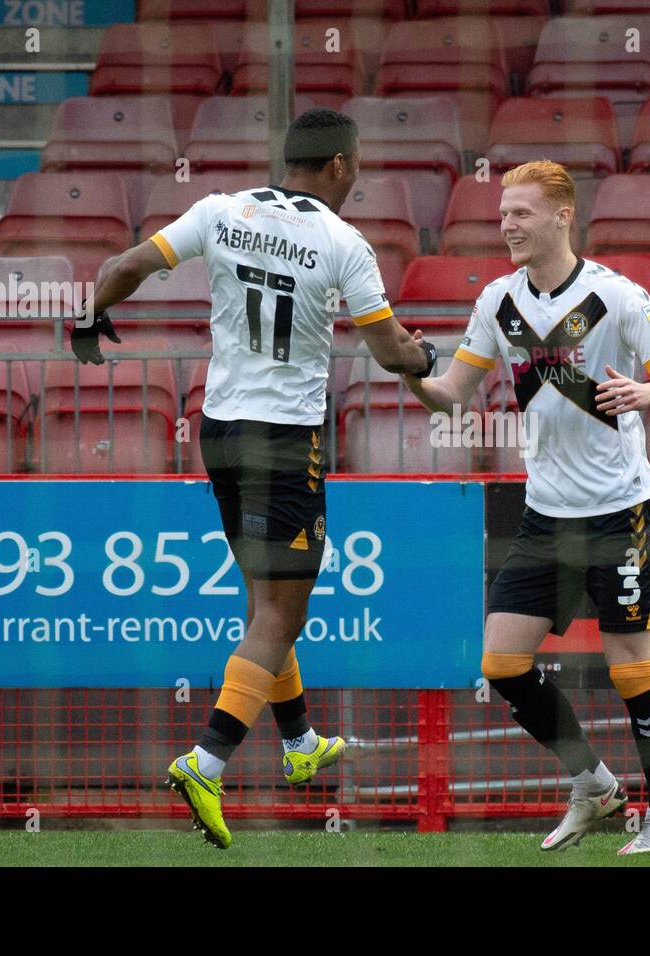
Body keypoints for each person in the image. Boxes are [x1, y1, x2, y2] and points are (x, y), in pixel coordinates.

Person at [72, 108, 437, 849]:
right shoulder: (343, 243)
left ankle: (301, 744)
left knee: (263, 598)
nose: (358, 175)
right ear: (337, 165)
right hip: (285, 440)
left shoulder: (221, 210)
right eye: (357, 164)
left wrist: (90, 316)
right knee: (282, 612)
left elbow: (124, 268)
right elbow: (391, 351)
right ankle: (207, 761)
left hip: (220, 430)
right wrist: (427, 359)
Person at [402, 159, 650, 855]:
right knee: (502, 664)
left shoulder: (616, 296)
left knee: (632, 666)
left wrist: (647, 394)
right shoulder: (497, 302)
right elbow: (452, 394)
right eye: (503, 212)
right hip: (545, 514)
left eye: (522, 213)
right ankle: (595, 784)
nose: (507, 224)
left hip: (619, 510)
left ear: (563, 216)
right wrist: (411, 369)